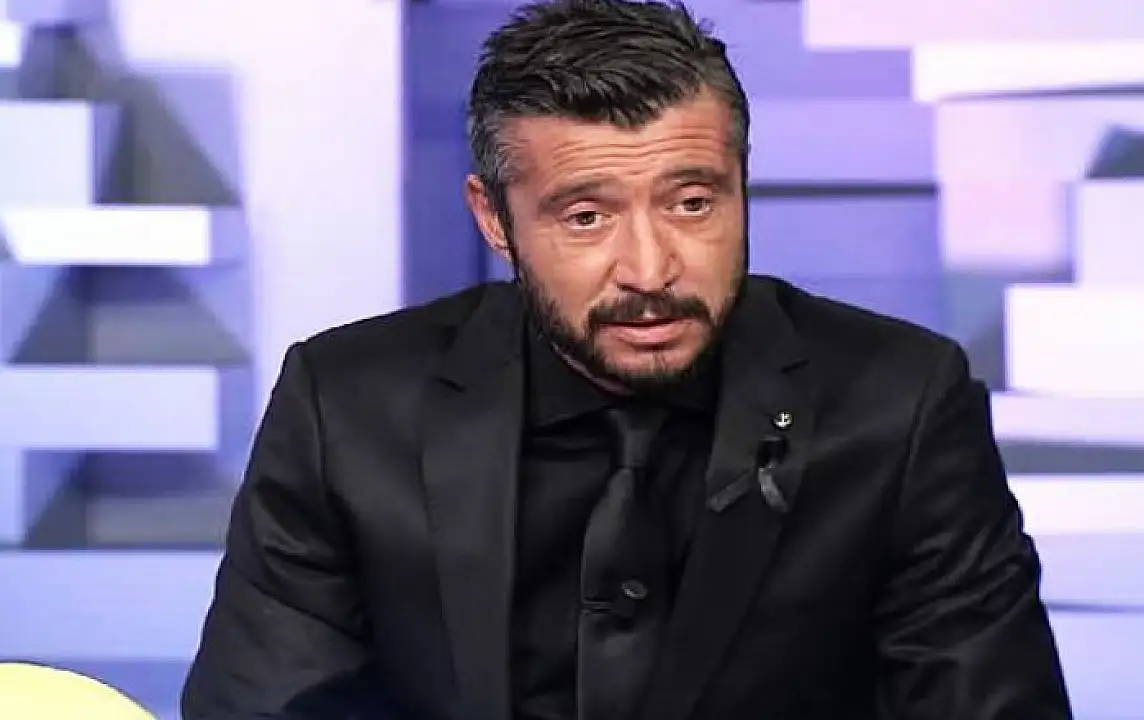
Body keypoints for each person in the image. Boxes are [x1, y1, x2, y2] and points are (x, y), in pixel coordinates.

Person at [181, 0, 1073, 718]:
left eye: (692, 204)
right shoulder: (348, 409)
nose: (649, 271)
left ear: (741, 185)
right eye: (586, 217)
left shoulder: (900, 404)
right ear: (494, 218)